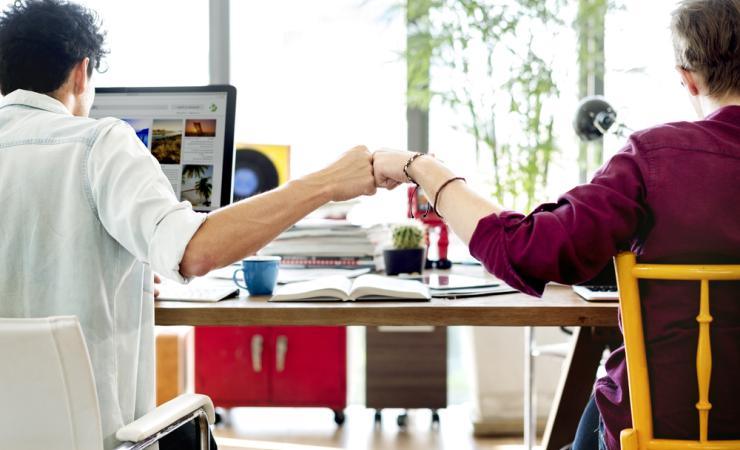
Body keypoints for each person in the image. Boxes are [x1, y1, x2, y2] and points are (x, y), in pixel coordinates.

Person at [0, 0, 377, 448]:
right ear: (82, 73)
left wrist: (123, 276)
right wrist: (328, 182)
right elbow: (196, 252)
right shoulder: (99, 143)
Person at [373, 1, 740, 449]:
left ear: (686, 76)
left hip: (668, 432)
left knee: (606, 401)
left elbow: (525, 250)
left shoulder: (656, 157)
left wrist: (423, 169)